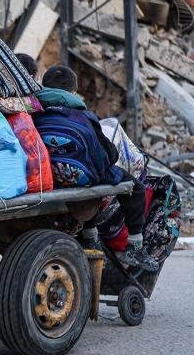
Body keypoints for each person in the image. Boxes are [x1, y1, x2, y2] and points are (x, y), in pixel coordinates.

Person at [37, 65, 156, 271]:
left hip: (47, 177)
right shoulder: (84, 117)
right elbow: (107, 155)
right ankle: (135, 246)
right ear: (73, 92)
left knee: (96, 181)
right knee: (132, 188)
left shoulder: (36, 115)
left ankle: (91, 238)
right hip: (80, 177)